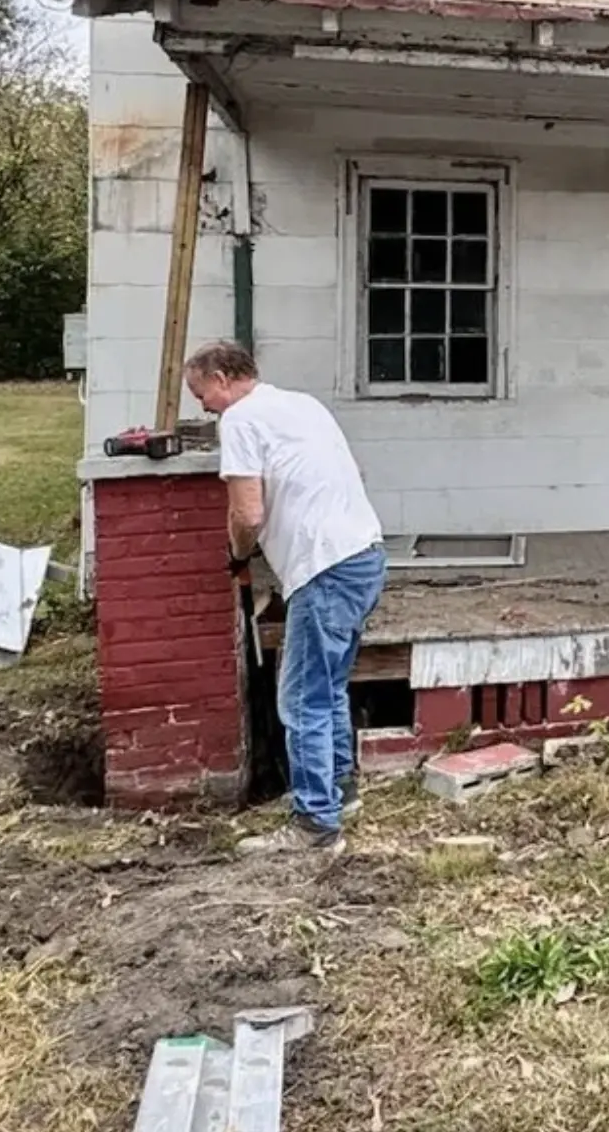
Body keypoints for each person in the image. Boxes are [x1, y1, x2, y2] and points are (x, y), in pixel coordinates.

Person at [184, 341, 386, 855]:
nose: (201, 405)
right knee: (329, 684)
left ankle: (315, 825)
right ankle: (338, 791)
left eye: (200, 392)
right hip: (364, 554)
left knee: (301, 698)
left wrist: (237, 556)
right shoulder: (302, 404)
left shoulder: (240, 421)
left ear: (223, 377)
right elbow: (356, 473)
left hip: (324, 568)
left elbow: (247, 514)